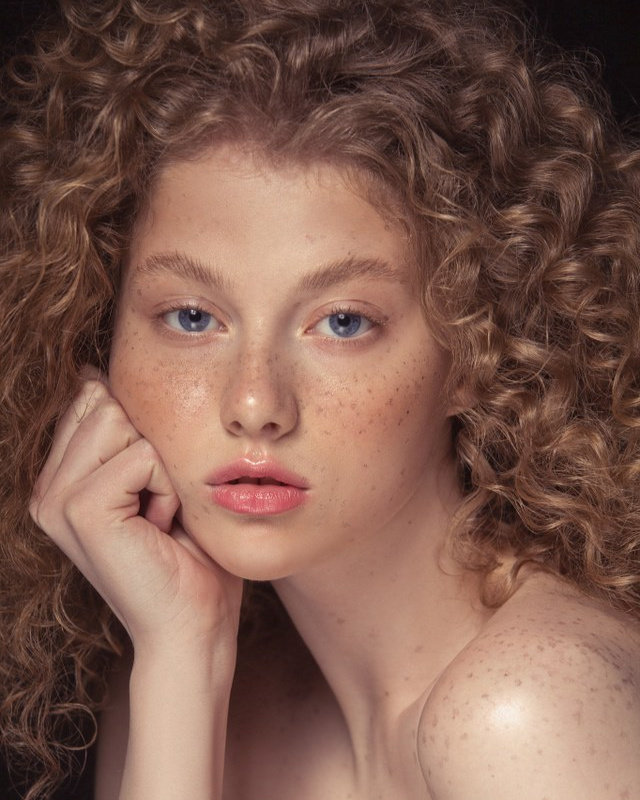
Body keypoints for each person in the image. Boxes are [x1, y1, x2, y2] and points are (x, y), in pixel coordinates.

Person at [1, 0, 640, 798]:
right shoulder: (188, 679)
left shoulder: (526, 709)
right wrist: (184, 661)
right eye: (193, 317)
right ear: (101, 341)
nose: (256, 403)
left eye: (342, 322)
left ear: (475, 351)